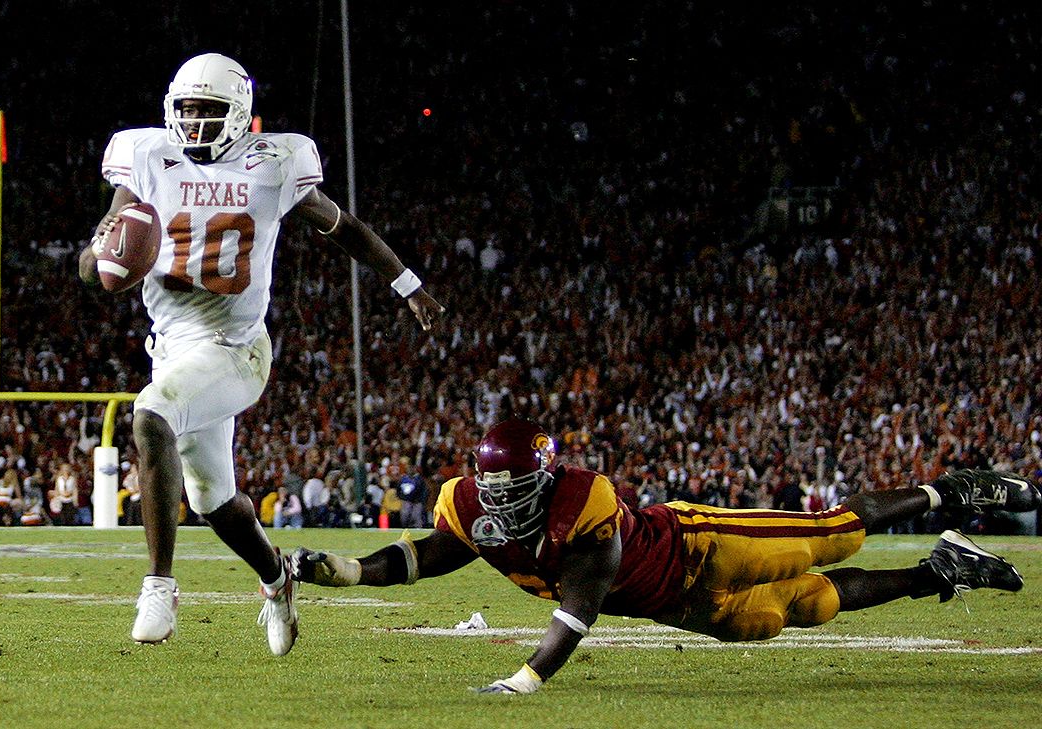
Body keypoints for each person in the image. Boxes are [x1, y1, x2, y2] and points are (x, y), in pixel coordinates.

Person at [78, 52, 443, 655]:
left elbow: (343, 225)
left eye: (209, 110)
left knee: (149, 415)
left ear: (239, 113)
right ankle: (277, 583)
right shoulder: (144, 156)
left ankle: (159, 585)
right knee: (213, 500)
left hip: (233, 350)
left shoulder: (275, 161)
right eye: (187, 110)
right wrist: (101, 261)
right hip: (170, 349)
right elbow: (101, 253)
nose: (194, 123)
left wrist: (409, 286)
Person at [293, 418, 1039, 693]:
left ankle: (949, 488)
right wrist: (352, 570)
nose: (502, 496)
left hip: (701, 544)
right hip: (675, 603)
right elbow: (426, 555)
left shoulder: (583, 498)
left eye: (516, 483)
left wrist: (525, 679)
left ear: (545, 477)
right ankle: (938, 568)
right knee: (802, 607)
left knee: (837, 529)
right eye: (495, 484)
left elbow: (577, 608)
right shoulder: (463, 502)